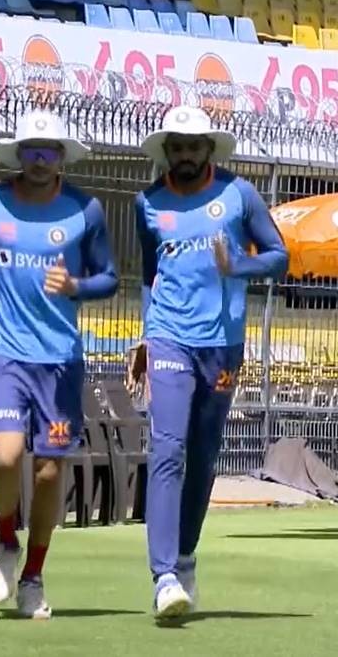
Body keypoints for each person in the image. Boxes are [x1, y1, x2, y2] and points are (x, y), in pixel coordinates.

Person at [127, 105, 287, 621]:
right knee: (168, 449)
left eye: (194, 146)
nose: (185, 154)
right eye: (177, 146)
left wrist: (237, 264)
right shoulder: (148, 203)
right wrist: (147, 335)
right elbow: (149, 275)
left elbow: (279, 255)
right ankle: (163, 577)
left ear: (209, 149)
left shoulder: (240, 194)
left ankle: (185, 557)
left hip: (222, 345)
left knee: (201, 456)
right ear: (166, 151)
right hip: (169, 339)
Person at [0, 110, 118, 619]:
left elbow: (110, 278)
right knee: (6, 455)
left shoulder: (85, 210)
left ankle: (33, 577)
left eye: (49, 151)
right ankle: (6, 540)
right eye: (32, 150)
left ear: (62, 156)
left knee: (49, 472)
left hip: (60, 360)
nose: (40, 159)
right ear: (19, 153)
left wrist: (76, 286)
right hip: (2, 352)